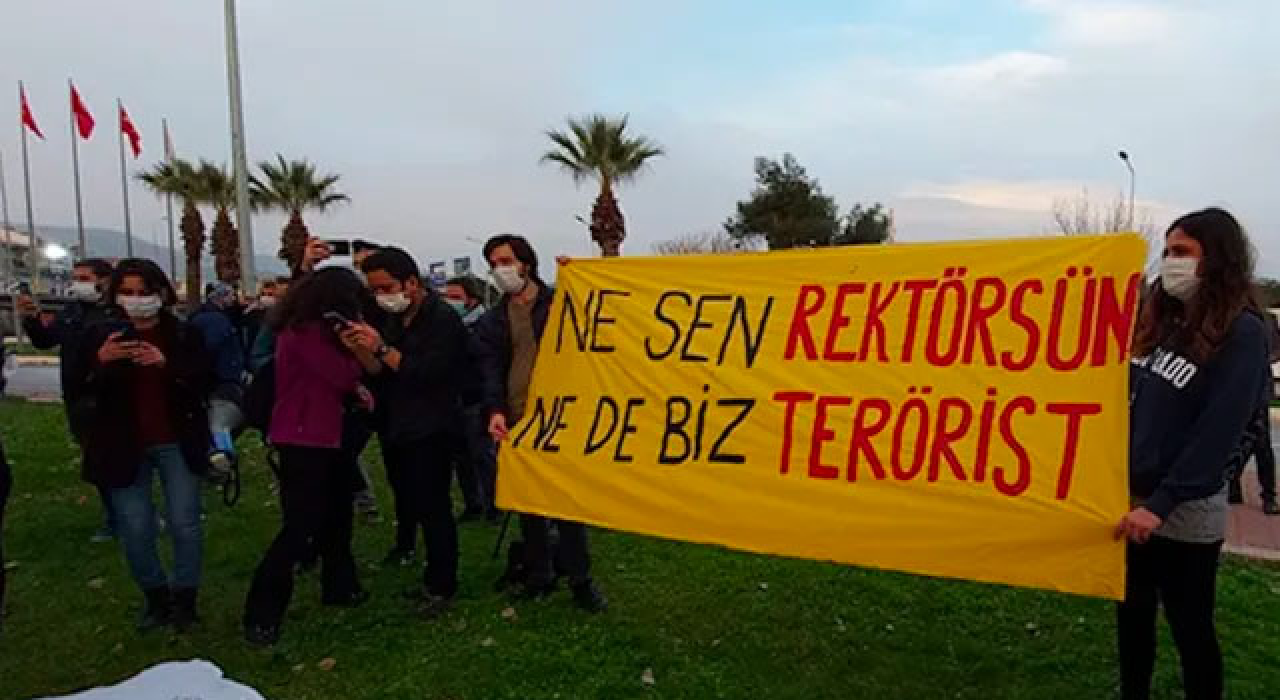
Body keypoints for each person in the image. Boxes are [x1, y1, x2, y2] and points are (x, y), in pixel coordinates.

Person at [1116, 208, 1270, 700]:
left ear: (1216, 259)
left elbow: (1217, 432)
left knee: (1190, 626)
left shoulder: (1242, 333)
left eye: (1182, 252)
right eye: (1167, 252)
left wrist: (1159, 506)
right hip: (1134, 500)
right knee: (1132, 615)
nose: (1170, 262)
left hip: (1183, 511)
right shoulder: (1166, 322)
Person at [71, 259, 214, 632]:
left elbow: (204, 382)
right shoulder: (99, 336)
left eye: (144, 293)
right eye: (128, 294)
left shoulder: (183, 334)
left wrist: (167, 366)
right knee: (135, 526)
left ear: (161, 293)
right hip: (122, 444)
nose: (137, 301)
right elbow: (77, 389)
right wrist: (100, 363)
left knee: (185, 523)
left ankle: (186, 599)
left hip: (175, 441)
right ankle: (156, 597)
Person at [474, 234, 607, 612]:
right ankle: (540, 574)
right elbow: (489, 371)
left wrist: (577, 278)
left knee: (566, 504)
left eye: (505, 260)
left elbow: (594, 323)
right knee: (528, 502)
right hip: (517, 418)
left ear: (526, 264)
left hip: (562, 416)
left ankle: (581, 579)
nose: (500, 270)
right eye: (493, 263)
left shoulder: (558, 304)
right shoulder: (492, 320)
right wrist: (495, 411)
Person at [242, 267, 373, 646]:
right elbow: (341, 377)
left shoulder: (308, 330)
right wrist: (356, 351)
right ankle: (263, 610)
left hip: (329, 434)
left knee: (337, 515)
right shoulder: (306, 333)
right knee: (301, 526)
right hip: (304, 437)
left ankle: (340, 585)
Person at [344, 247, 468, 617]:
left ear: (411, 283)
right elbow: (381, 372)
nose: (382, 297)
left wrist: (381, 348)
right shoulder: (392, 319)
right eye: (375, 290)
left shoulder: (442, 319)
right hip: (397, 425)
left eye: (387, 287)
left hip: (433, 426)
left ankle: (443, 584)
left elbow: (430, 373)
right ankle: (429, 571)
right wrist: (361, 349)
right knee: (409, 497)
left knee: (435, 506)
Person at [18, 258, 118, 542]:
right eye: (75, 277)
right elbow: (46, 340)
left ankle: (129, 515)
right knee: (96, 462)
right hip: (78, 398)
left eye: (84, 277)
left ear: (104, 280)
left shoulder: (115, 312)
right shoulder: (73, 311)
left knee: (117, 458)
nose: (78, 283)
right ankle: (115, 514)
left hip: (109, 396)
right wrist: (32, 320)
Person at [444, 276, 497, 521]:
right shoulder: (448, 326)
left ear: (472, 300)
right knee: (461, 456)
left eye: (455, 298)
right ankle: (472, 503)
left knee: (482, 455)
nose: (449, 302)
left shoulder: (485, 326)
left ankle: (494, 503)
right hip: (455, 398)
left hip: (477, 398)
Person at [189, 282, 248, 480]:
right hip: (221, 382)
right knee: (220, 424)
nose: (234, 299)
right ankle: (222, 460)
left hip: (213, 381)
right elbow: (210, 349)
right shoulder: (216, 321)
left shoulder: (202, 317)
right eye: (231, 295)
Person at [1228, 308, 1279, 515]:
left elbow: (1274, 349)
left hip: (1257, 386)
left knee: (1261, 444)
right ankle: (1234, 485)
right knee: (1240, 440)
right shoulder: (1234, 315)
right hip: (1242, 385)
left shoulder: (1260, 319)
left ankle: (1268, 495)